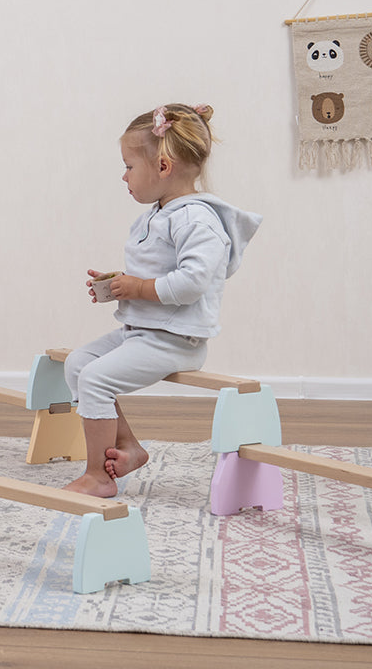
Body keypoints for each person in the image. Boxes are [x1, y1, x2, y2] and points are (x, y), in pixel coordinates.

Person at [63, 103, 261, 497]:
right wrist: (119, 285)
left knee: (95, 380)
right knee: (77, 364)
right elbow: (156, 271)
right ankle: (130, 447)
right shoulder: (160, 214)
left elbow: (192, 283)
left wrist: (137, 288)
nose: (124, 176)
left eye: (129, 167)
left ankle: (99, 477)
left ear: (164, 167)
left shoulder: (195, 220)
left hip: (174, 341)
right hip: (143, 332)